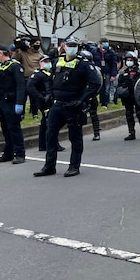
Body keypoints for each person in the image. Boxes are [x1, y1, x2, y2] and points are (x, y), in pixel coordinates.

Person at [33, 37, 102, 178]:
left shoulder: (83, 64)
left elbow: (95, 83)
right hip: (57, 105)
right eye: (69, 45)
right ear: (63, 46)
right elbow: (49, 79)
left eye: (74, 45)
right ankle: (49, 166)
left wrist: (82, 99)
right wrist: (50, 94)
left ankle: (74, 166)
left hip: (73, 105)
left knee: (75, 137)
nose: (72, 47)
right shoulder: (58, 61)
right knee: (50, 135)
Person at [0, 45, 27, 164]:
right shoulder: (0, 67)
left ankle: (20, 153)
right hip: (1, 101)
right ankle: (8, 153)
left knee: (14, 128)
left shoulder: (15, 66)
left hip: (11, 101)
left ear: (1, 53)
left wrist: (20, 103)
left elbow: (21, 86)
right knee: (5, 129)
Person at [27, 54, 62, 153]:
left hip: (50, 99)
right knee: (50, 122)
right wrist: (40, 97)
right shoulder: (38, 74)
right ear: (40, 63)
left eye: (48, 61)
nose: (48, 63)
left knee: (45, 123)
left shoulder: (49, 73)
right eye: (45, 61)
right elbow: (30, 87)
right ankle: (52, 143)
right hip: (44, 102)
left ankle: (43, 144)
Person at [116, 51, 140, 141]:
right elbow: (119, 84)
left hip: (137, 96)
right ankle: (131, 133)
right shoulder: (123, 73)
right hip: (127, 97)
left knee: (139, 114)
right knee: (129, 114)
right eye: (127, 60)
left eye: (131, 60)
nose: (129, 61)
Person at [78, 50, 102, 140]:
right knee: (80, 115)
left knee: (93, 114)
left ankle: (96, 133)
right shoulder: (79, 69)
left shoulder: (94, 69)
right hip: (82, 95)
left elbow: (98, 83)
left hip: (90, 94)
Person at [97, 38, 119, 106]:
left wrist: (113, 75)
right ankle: (102, 101)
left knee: (107, 87)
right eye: (103, 42)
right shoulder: (97, 51)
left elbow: (114, 64)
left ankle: (107, 101)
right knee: (101, 88)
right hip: (99, 72)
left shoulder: (111, 52)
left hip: (107, 72)